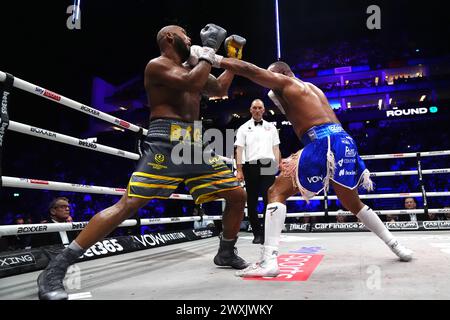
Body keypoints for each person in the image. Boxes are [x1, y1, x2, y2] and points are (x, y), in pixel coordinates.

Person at [37, 24, 249, 300]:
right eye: (185, 33)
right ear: (170, 38)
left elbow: (218, 87)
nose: (190, 37)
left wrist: (234, 61)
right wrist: (209, 52)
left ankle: (226, 251)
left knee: (237, 195)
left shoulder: (195, 67)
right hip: (165, 140)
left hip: (194, 142)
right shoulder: (157, 66)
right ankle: (56, 268)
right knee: (129, 205)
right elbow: (191, 84)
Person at [215, 58, 413, 277]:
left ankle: (268, 261)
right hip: (344, 141)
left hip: (322, 142)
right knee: (352, 202)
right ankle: (397, 246)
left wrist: (216, 59)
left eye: (271, 80)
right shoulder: (312, 88)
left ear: (280, 74)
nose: (269, 88)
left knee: (275, 192)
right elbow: (297, 111)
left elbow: (250, 70)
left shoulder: (285, 83)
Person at [235, 99, 281, 244]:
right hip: (251, 166)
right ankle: (257, 233)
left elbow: (276, 148)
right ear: (250, 110)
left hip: (268, 165)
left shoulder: (271, 128)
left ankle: (268, 233)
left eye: (259, 107)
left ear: (263, 110)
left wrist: (278, 164)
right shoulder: (243, 128)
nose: (257, 110)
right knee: (252, 201)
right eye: (254, 107)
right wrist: (239, 170)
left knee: (269, 200)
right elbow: (239, 150)